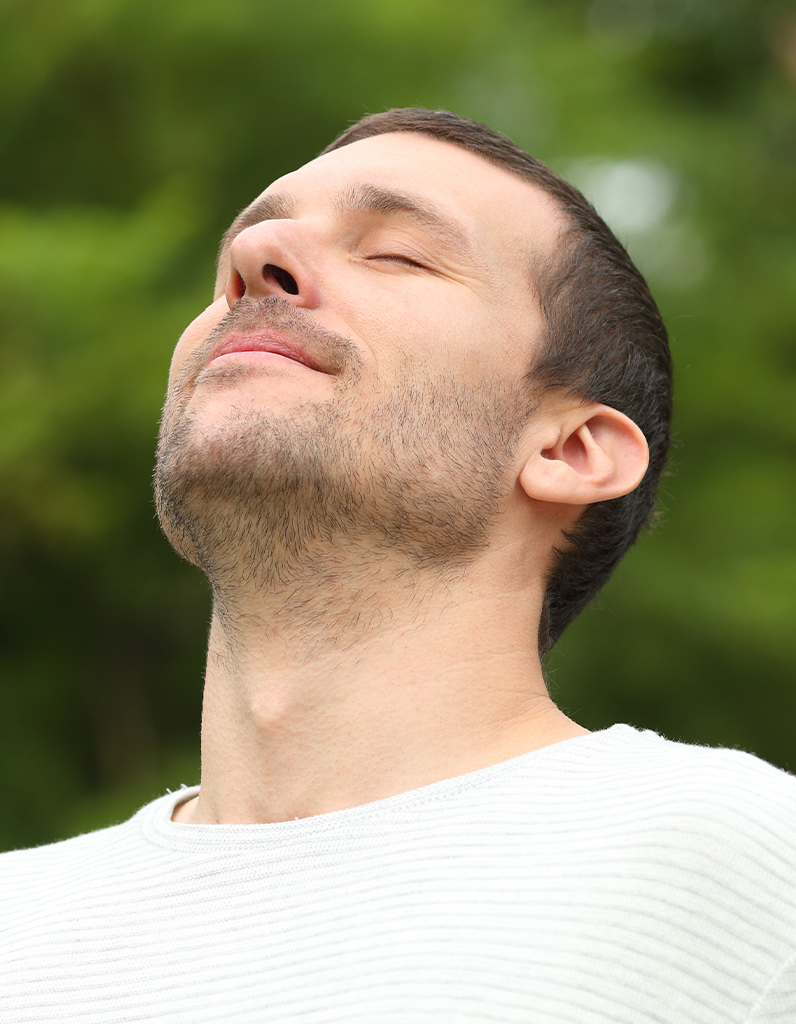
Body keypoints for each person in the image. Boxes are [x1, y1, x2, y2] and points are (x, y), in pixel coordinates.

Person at [2, 108, 795, 1023]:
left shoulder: (744, 874)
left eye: (397, 255)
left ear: (572, 450)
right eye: (247, 245)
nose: (257, 256)